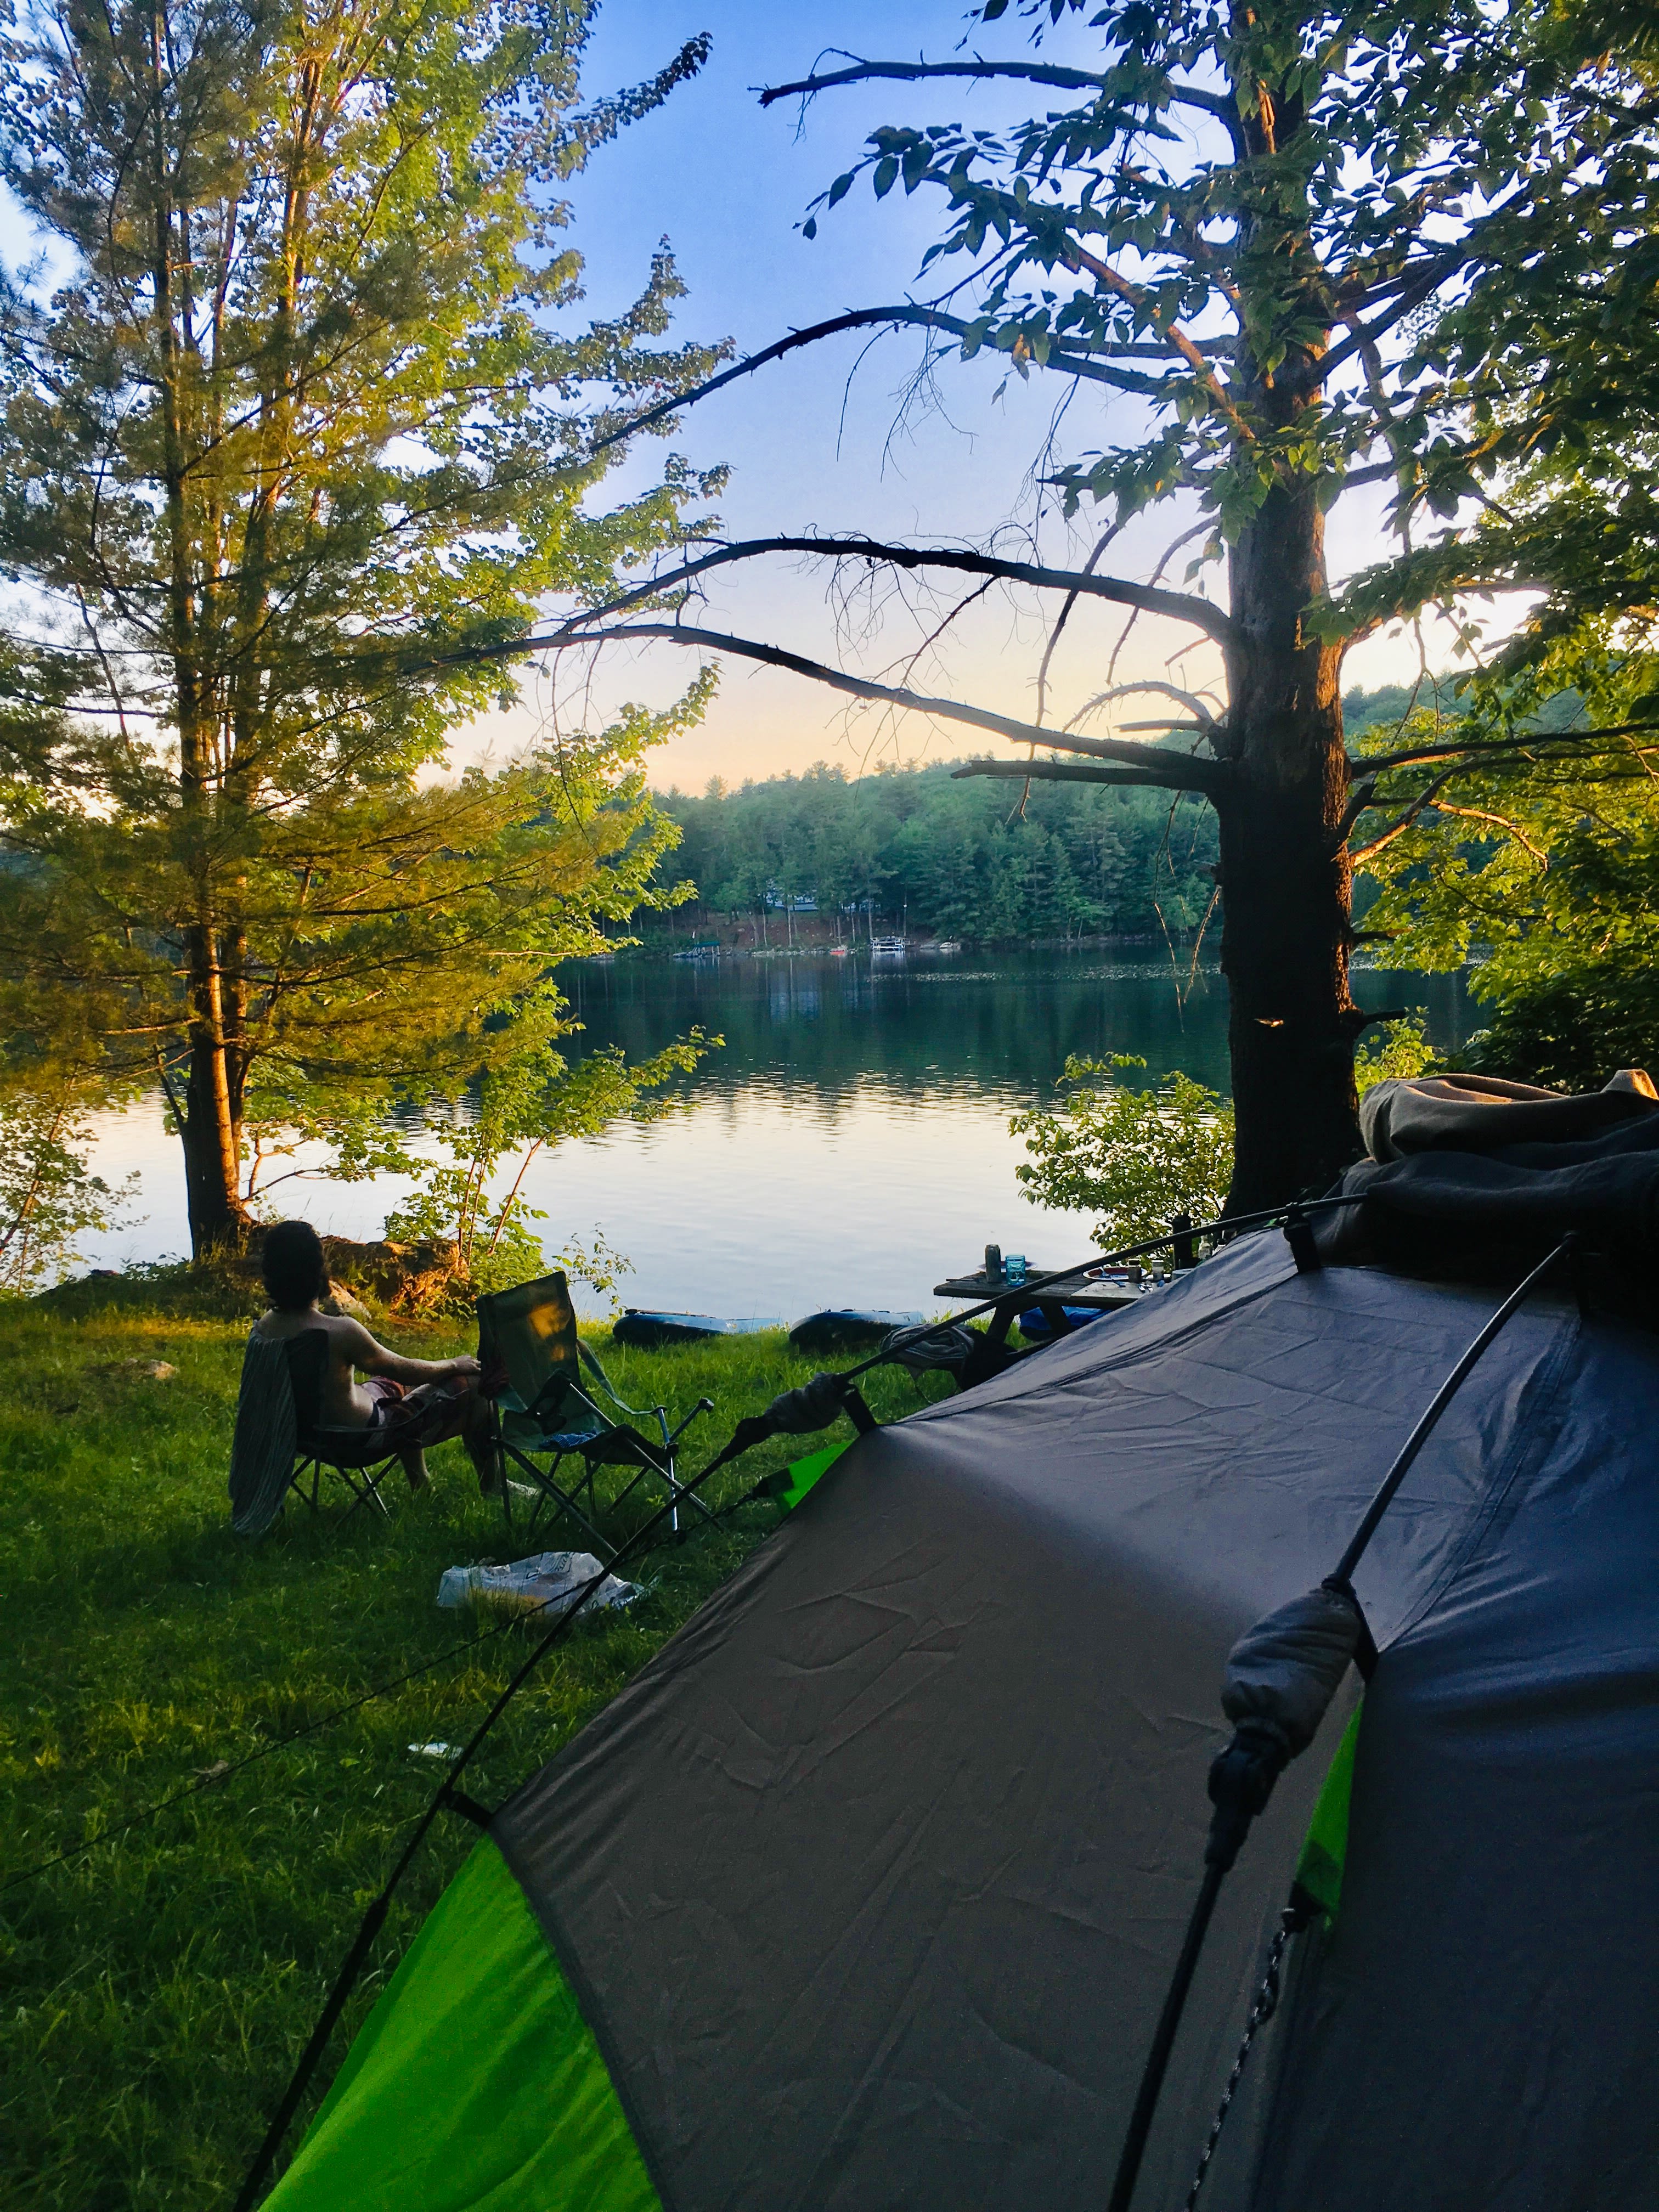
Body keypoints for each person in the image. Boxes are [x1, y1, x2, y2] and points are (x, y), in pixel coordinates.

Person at [252, 1220, 495, 1493]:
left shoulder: (263, 1330)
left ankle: (421, 1483)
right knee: (474, 1385)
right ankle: (492, 1485)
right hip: (360, 1441)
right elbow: (406, 1370)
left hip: (304, 1437)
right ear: (318, 1271)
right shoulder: (339, 1331)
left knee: (399, 1387)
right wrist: (453, 1364)